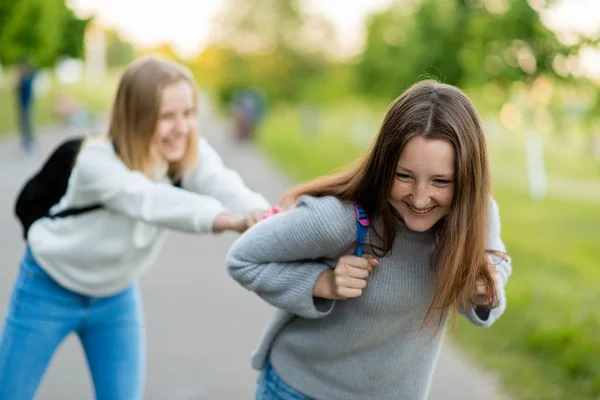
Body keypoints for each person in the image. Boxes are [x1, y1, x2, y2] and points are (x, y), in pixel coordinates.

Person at [0, 55, 270, 400]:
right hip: (48, 287)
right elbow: (149, 201)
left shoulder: (188, 151)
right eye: (167, 116)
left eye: (188, 113)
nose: (182, 127)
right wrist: (230, 220)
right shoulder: (95, 160)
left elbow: (225, 184)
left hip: (115, 295)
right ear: (136, 118)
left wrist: (265, 214)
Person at [227, 80, 512, 400]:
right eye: (404, 176)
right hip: (300, 389)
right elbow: (242, 258)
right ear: (384, 165)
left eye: (441, 181)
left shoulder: (477, 215)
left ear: (468, 180)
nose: (420, 199)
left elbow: (497, 262)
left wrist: (486, 291)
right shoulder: (338, 220)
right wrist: (324, 284)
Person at [15, 60, 36, 154]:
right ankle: (26, 143)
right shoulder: (23, 81)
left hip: (27, 106)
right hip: (22, 106)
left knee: (27, 126)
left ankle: (30, 143)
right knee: (23, 126)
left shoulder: (27, 80)